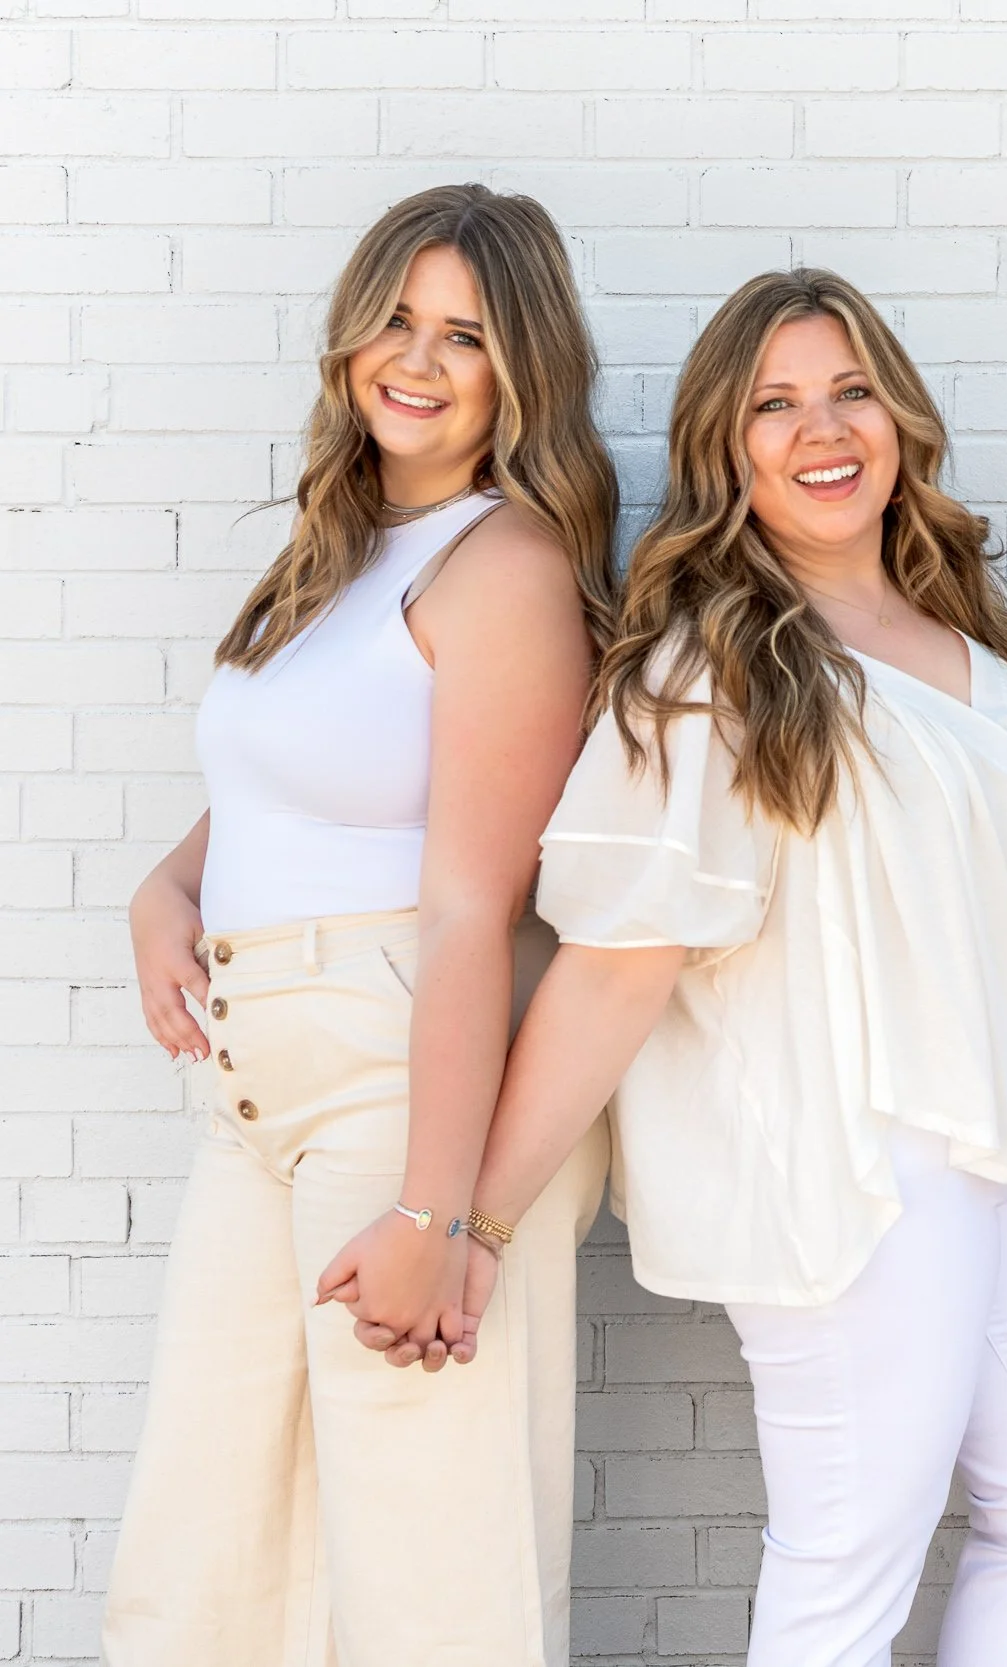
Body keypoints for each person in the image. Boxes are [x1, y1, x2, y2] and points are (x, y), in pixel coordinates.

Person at [424, 268, 1007, 1667]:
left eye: (851, 389)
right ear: (726, 447)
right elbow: (618, 963)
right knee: (846, 1559)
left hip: (989, 1154)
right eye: (777, 404)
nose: (824, 428)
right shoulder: (714, 670)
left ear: (900, 416)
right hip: (849, 1164)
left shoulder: (970, 640)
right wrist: (478, 1222)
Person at [105, 183, 618, 1667]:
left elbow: (472, 901)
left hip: (400, 1080)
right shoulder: (335, 556)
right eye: (399, 316)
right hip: (255, 1087)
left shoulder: (504, 567)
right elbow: (296, 786)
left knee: (423, 1566)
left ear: (522, 370)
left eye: (467, 334)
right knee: (206, 1552)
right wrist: (166, 887)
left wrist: (433, 1214)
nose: (420, 356)